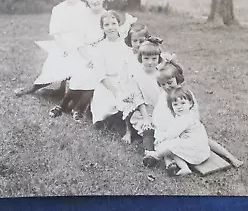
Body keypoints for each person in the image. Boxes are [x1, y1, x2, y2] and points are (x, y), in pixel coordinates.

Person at [150, 54, 243, 175]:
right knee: (167, 142)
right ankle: (171, 163)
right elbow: (160, 117)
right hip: (170, 128)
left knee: (202, 139)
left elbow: (193, 113)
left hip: (185, 129)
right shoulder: (163, 96)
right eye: (163, 84)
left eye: (169, 82)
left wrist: (183, 130)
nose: (166, 87)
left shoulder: (185, 95)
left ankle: (230, 157)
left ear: (177, 78)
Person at [14, 0, 88, 97]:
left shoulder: (84, 8)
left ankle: (67, 90)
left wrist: (81, 46)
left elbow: (87, 29)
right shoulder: (58, 9)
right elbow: (55, 32)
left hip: (80, 43)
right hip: (62, 42)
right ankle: (34, 88)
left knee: (80, 62)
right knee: (56, 64)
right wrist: (64, 47)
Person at [148, 87, 211, 176]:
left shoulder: (186, 118)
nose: (179, 107)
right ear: (172, 107)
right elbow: (173, 129)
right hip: (199, 150)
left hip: (196, 151)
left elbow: (173, 133)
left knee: (171, 145)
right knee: (173, 147)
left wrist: (162, 138)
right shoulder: (185, 115)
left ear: (190, 104)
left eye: (183, 103)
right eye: (175, 104)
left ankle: (156, 155)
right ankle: (184, 168)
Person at [121, 37, 163, 167]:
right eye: (146, 59)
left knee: (163, 129)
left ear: (159, 59)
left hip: (160, 109)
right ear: (140, 59)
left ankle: (167, 153)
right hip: (144, 110)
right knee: (148, 128)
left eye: (154, 59)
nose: (150, 62)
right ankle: (149, 153)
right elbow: (139, 99)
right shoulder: (137, 76)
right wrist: (146, 118)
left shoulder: (161, 75)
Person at [90, 10, 136, 128]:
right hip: (107, 84)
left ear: (119, 25)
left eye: (113, 24)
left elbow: (131, 66)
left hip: (124, 81)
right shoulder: (100, 48)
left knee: (129, 99)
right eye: (106, 25)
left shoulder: (125, 44)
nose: (110, 27)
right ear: (102, 27)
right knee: (106, 108)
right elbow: (101, 75)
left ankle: (123, 118)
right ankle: (111, 118)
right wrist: (115, 91)